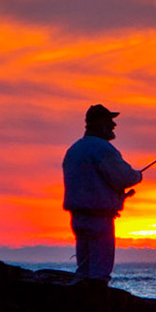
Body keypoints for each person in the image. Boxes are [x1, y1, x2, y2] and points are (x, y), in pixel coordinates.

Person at [62, 103, 143, 284]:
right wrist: (137, 176)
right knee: (99, 273)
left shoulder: (73, 150)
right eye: (109, 121)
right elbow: (123, 177)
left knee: (84, 271)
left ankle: (82, 299)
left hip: (78, 217)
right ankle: (96, 299)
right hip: (99, 218)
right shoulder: (103, 149)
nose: (114, 125)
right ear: (99, 123)